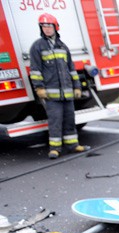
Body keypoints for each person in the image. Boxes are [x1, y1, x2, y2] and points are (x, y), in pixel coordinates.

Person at [29, 13, 88, 159]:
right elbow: (35, 70)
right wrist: (39, 88)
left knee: (69, 120)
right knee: (55, 122)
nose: (47, 29)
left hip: (67, 93)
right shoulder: (37, 46)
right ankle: (55, 149)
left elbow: (71, 69)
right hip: (52, 94)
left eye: (49, 26)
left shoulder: (63, 46)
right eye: (43, 26)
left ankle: (73, 145)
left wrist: (77, 87)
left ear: (55, 27)